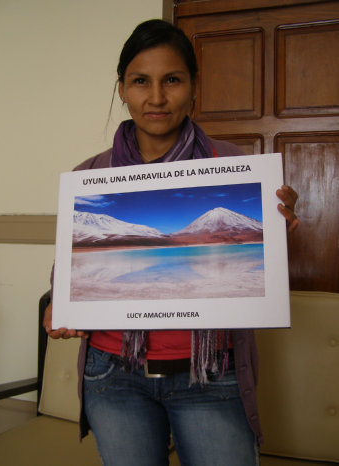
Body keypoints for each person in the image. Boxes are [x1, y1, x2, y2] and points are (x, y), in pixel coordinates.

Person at [44, 19, 299, 466]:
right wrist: (57, 303)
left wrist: (276, 227)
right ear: (122, 88)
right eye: (141, 81)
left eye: (173, 80)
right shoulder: (88, 175)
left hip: (211, 374)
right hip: (112, 374)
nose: (157, 97)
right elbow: (66, 270)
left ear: (194, 86)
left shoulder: (237, 165)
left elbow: (261, 266)